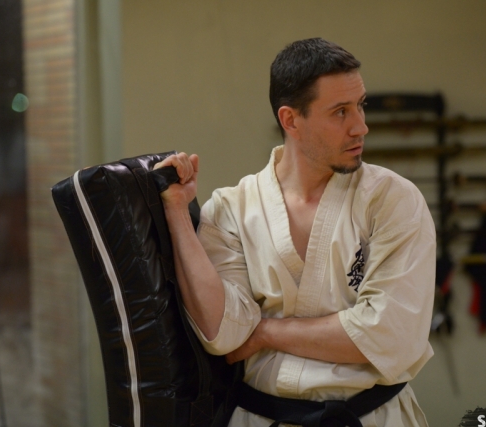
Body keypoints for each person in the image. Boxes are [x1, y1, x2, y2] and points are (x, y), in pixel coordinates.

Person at [155, 38, 436, 427]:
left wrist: (266, 333)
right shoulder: (232, 209)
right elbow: (223, 334)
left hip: (374, 417)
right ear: (290, 120)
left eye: (361, 105)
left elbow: (392, 335)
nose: (361, 126)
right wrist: (176, 211)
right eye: (340, 112)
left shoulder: (391, 199)